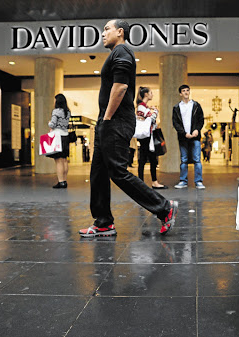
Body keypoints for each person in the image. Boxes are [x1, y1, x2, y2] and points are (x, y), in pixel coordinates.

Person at [78, 19, 177, 238]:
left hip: (115, 121)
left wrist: (107, 117)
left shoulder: (122, 51)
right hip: (108, 121)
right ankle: (103, 223)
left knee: (118, 172)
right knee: (98, 173)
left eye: (107, 29)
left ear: (120, 32)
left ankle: (164, 207)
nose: (102, 34)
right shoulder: (116, 52)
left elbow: (121, 86)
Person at [172, 84, 205, 189]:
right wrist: (183, 133)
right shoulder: (177, 107)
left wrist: (196, 130)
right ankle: (183, 181)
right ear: (180, 93)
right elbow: (175, 123)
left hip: (195, 136)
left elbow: (201, 120)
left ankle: (198, 181)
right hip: (183, 137)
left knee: (197, 159)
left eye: (187, 90)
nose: (186, 92)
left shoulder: (196, 105)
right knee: (184, 160)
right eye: (183, 91)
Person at [135, 86, 167, 189]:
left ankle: (153, 182)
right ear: (146, 94)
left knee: (152, 159)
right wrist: (156, 111)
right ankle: (142, 182)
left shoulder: (145, 107)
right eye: (151, 93)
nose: (152, 95)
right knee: (143, 159)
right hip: (145, 137)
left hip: (149, 136)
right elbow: (151, 119)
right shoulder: (141, 107)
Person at [47, 93, 71, 188]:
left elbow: (52, 124)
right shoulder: (67, 112)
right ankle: (64, 180)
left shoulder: (56, 111)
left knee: (58, 161)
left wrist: (49, 123)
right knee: (64, 160)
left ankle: (61, 182)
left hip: (58, 137)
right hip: (66, 136)